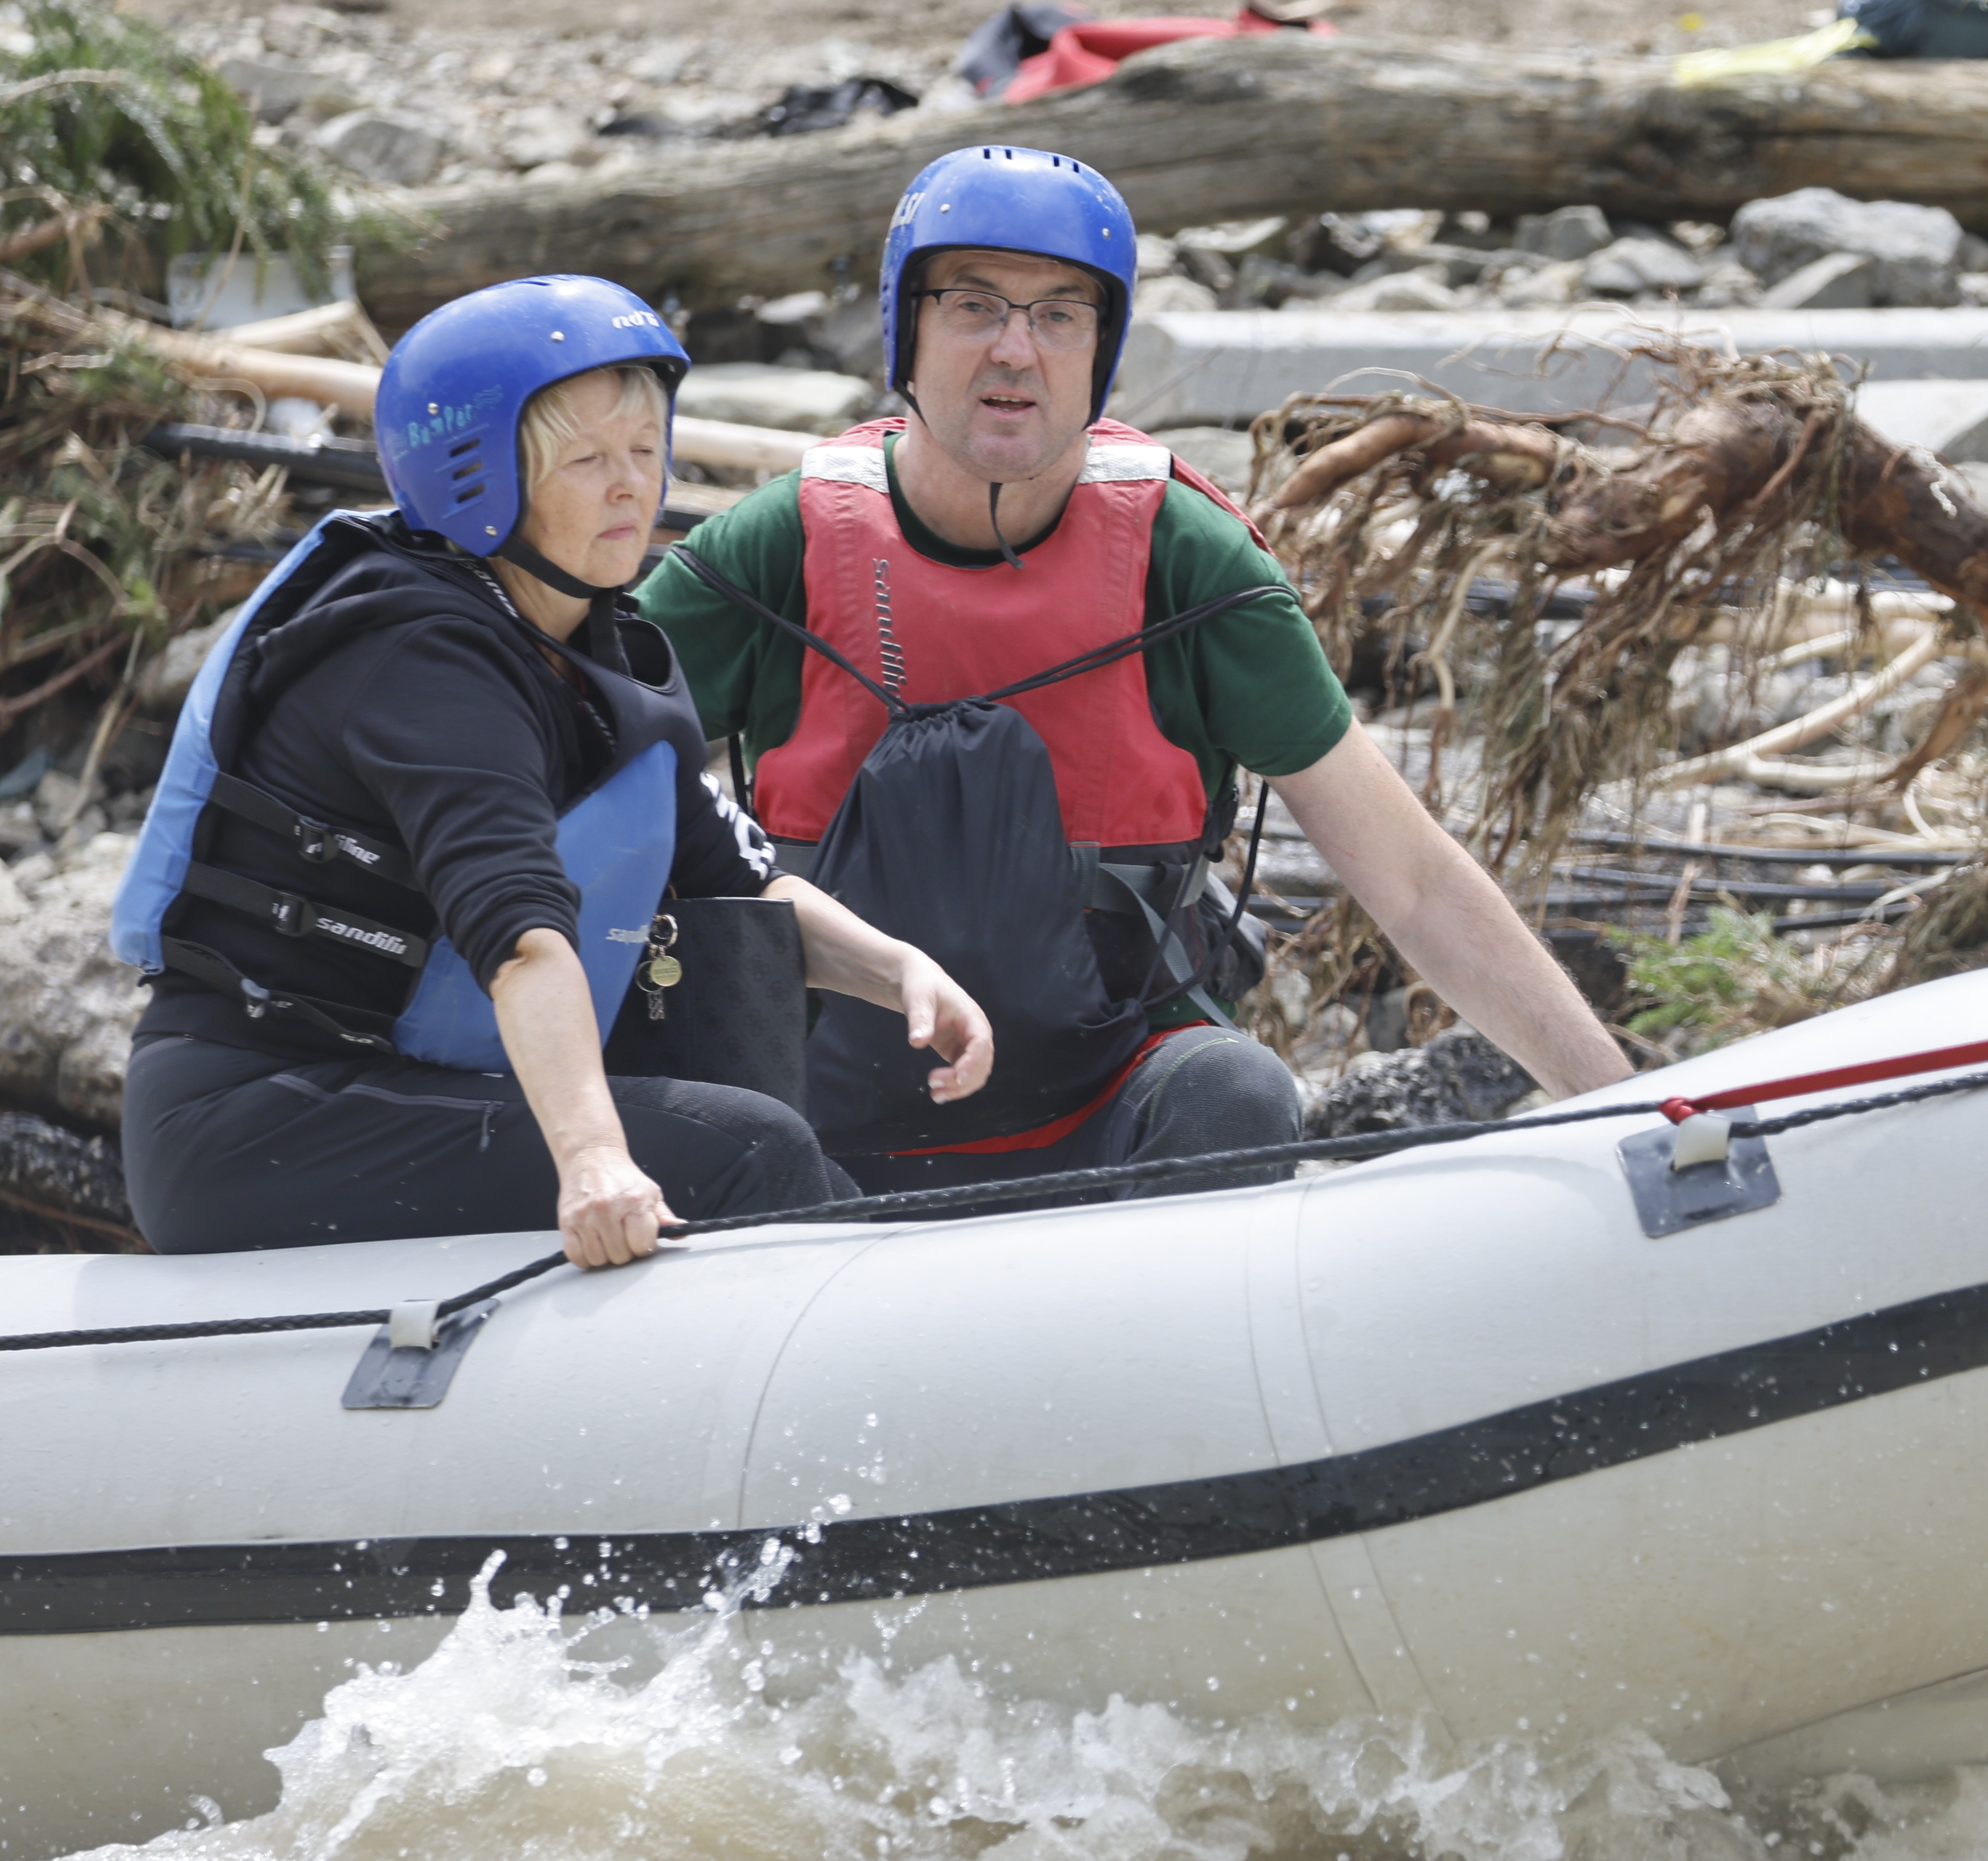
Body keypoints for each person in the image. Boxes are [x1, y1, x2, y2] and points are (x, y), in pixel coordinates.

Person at [637, 145, 1628, 1197]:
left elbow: (1416, 885)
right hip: (816, 1112)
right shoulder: (774, 547)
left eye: (1060, 315)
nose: (1016, 352)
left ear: (1102, 350)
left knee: (1239, 1093)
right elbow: (557, 764)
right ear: (906, 329)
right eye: (975, 307)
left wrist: (1628, 1109)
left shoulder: (1187, 560)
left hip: (1112, 1093)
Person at [112, 276, 995, 1268]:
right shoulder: (421, 660)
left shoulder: (595, 652)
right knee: (752, 1147)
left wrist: (903, 971)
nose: (633, 485)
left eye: (646, 451)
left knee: (765, 1137)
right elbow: (520, 938)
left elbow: (740, 886)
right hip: (251, 1119)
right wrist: (591, 1160)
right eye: (587, 460)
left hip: (401, 1088)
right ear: (473, 479)